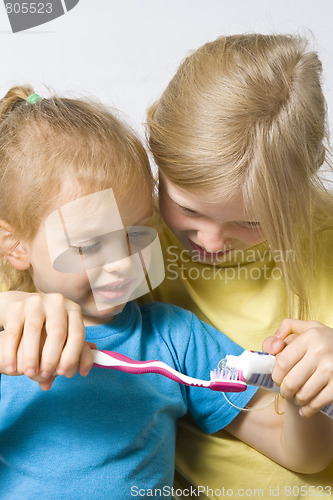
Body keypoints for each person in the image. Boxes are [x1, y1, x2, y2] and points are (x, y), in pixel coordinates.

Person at [1, 86, 332, 500]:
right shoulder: (8, 341)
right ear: (14, 245)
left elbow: (302, 455)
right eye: (89, 245)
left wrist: (306, 394)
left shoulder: (175, 339)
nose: (122, 263)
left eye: (138, 231)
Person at [145, 34, 333, 497]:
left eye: (251, 221)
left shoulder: (323, 242)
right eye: (188, 209)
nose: (209, 241)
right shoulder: (127, 244)